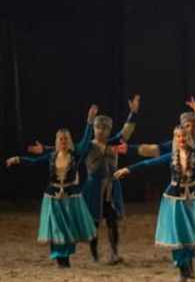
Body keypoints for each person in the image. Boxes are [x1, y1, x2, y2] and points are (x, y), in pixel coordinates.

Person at [26, 96, 140, 264]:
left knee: (112, 221)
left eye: (104, 128)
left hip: (111, 187)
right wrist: (44, 149)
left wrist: (133, 113)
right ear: (94, 129)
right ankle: (94, 255)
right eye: (98, 127)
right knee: (93, 222)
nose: (101, 131)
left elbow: (126, 132)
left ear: (109, 130)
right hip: (93, 188)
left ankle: (114, 253)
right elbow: (66, 149)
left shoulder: (114, 143)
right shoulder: (88, 146)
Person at [114, 100, 195, 282]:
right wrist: (128, 169)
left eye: (184, 136)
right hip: (175, 198)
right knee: (179, 233)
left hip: (194, 197)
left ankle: (188, 262)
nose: (181, 139)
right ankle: (182, 267)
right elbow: (148, 163)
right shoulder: (170, 156)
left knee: (193, 233)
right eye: (178, 137)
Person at [6, 107, 99, 267]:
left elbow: (85, 141)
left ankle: (66, 256)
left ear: (69, 141)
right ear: (57, 141)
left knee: (68, 227)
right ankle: (58, 256)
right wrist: (18, 159)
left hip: (70, 197)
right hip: (53, 196)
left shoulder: (75, 154)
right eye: (60, 139)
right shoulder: (51, 157)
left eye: (65, 139)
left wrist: (90, 122)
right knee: (56, 227)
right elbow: (35, 161)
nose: (63, 142)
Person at [129, 81, 195, 222]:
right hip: (181, 188)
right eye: (187, 125)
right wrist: (129, 149)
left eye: (194, 126)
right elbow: (153, 149)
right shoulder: (175, 144)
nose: (191, 128)